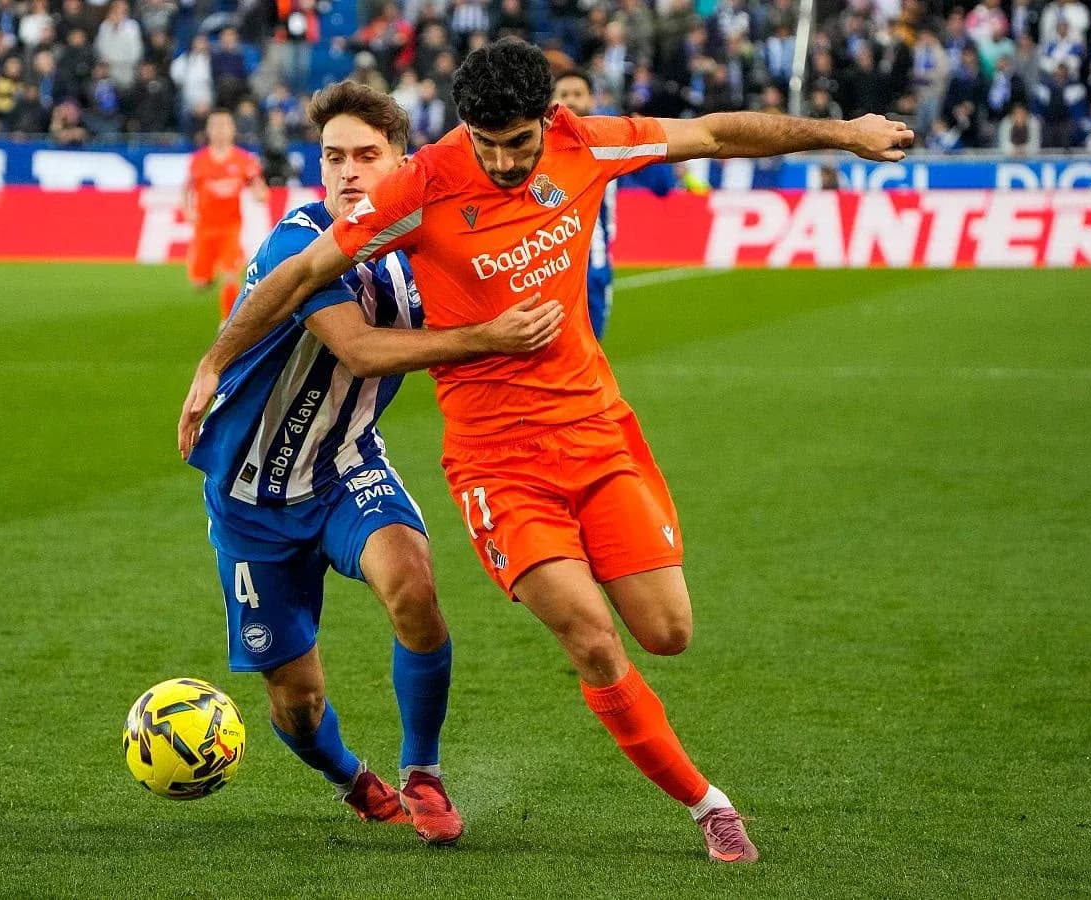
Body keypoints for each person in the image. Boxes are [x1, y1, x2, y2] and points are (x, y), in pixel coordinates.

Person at [180, 39, 914, 864]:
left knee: (666, 632)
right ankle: (705, 805)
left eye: (516, 144)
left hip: (581, 436)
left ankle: (426, 758)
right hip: (473, 467)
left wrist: (844, 132)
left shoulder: (585, 144)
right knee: (576, 640)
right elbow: (308, 285)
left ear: (548, 122)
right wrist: (214, 358)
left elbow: (711, 133)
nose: (499, 161)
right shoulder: (416, 194)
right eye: (483, 143)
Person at [181, 82, 564, 845]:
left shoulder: (425, 240)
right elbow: (358, 347)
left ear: (402, 162)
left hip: (346, 468)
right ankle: (352, 777)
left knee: (414, 587)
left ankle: (423, 772)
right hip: (252, 501)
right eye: (334, 157)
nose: (349, 171)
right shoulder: (300, 243)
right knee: (296, 701)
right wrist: (491, 335)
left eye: (367, 155)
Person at [552, 69, 619, 340]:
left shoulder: (612, 141)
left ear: (592, 99)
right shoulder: (538, 148)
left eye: (578, 94)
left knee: (591, 349)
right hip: (551, 265)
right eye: (564, 95)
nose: (571, 101)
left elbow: (660, 185)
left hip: (595, 262)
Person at [184, 109, 268, 319]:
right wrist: (188, 210)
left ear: (233, 130)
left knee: (231, 274)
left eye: (224, 126)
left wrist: (260, 194)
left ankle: (227, 321)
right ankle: (206, 275)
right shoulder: (199, 160)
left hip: (231, 226)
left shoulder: (244, 160)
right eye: (216, 126)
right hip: (204, 227)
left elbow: (259, 187)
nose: (220, 131)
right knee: (200, 283)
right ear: (208, 130)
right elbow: (187, 189)